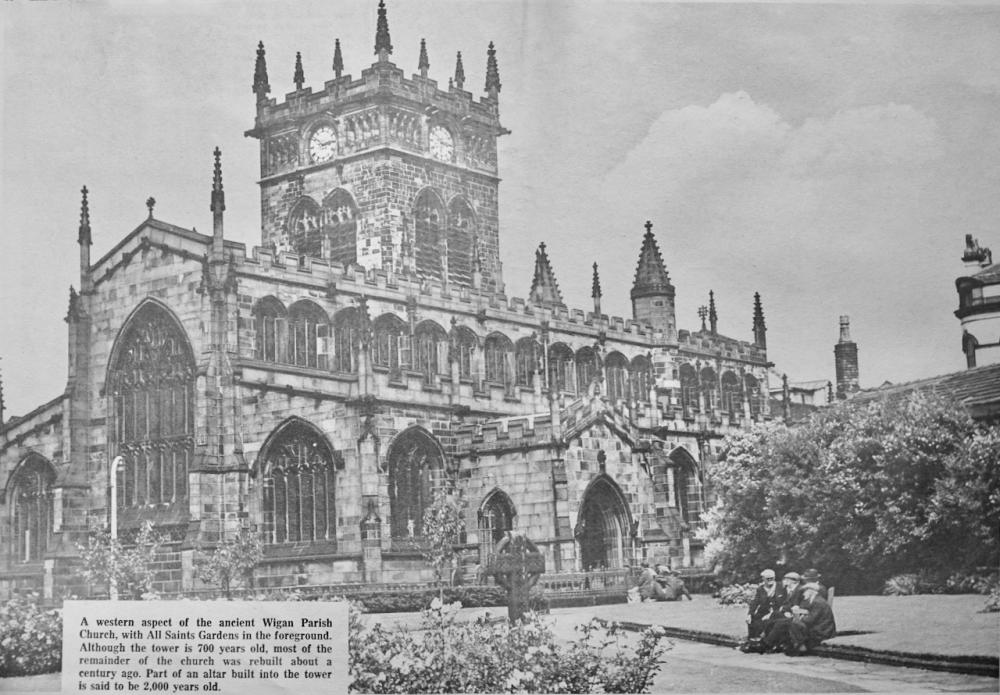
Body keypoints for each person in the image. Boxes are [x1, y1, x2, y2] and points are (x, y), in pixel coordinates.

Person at [784, 582, 836, 655]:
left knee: (795, 624)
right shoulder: (813, 600)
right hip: (819, 627)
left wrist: (798, 618)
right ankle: (799, 645)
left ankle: (801, 647)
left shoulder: (818, 602)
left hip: (822, 630)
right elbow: (805, 610)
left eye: (805, 591)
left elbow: (810, 619)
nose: (803, 594)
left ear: (811, 592)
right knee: (793, 623)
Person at [746, 569, 787, 639]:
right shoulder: (760, 589)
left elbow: (786, 601)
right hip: (764, 611)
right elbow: (755, 602)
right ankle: (753, 639)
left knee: (772, 621)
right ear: (763, 579)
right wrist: (749, 614)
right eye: (768, 578)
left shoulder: (781, 587)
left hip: (778, 612)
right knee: (753, 619)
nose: (770, 580)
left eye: (772, 578)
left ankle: (768, 639)